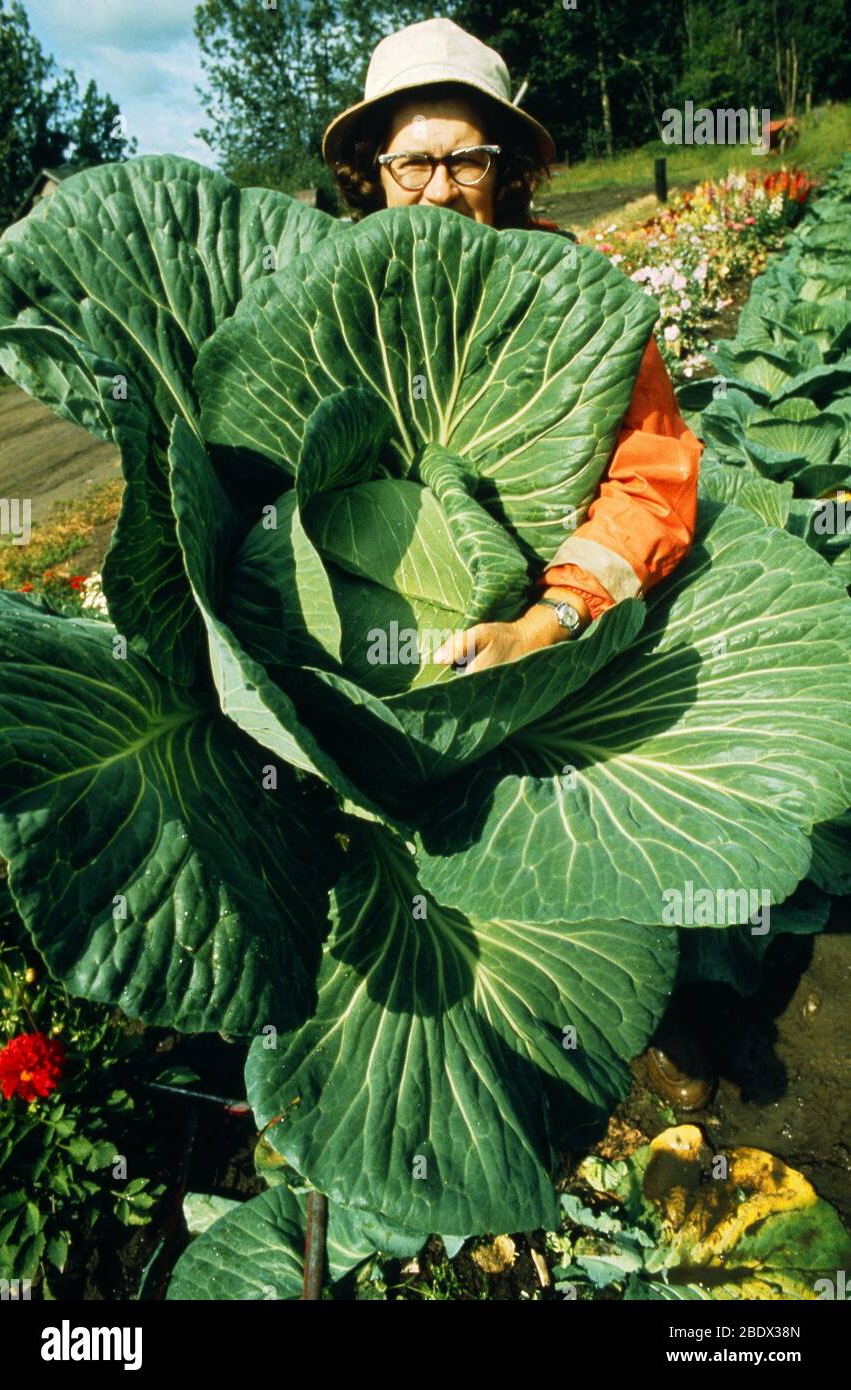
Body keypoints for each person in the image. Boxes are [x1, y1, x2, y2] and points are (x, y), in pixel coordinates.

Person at [321, 17, 710, 1108]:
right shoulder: (323, 294)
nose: (437, 188)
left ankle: (648, 994)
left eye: (465, 158)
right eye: (411, 160)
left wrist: (548, 620)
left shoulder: (575, 301)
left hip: (549, 660)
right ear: (373, 173)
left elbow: (649, 481)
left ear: (507, 167)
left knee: (607, 822)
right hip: (338, 693)